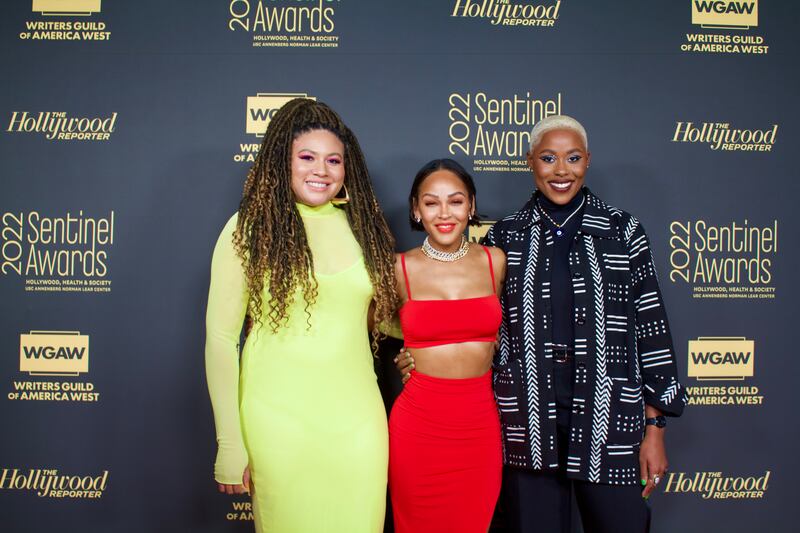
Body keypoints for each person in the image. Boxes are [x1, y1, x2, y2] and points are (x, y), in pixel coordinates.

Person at [397, 116, 686, 532]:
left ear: (587, 161)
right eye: (548, 158)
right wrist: (415, 352)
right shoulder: (506, 239)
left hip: (610, 424)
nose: (561, 170)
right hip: (527, 424)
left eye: (572, 158)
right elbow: (469, 321)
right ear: (530, 161)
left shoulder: (623, 231)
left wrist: (655, 426)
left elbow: (651, 325)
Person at [204, 98, 398, 532]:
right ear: (282, 162)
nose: (322, 170)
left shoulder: (362, 228)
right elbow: (220, 339)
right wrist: (230, 443)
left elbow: (384, 318)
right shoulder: (249, 228)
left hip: (359, 426)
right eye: (307, 157)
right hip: (279, 424)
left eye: (334, 160)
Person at [389, 158, 506, 533]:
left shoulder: (495, 262)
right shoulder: (398, 268)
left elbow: (497, 329)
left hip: (479, 426)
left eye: (455, 202)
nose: (444, 213)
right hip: (419, 427)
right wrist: (406, 352)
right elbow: (369, 325)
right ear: (415, 208)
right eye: (431, 202)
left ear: (471, 206)